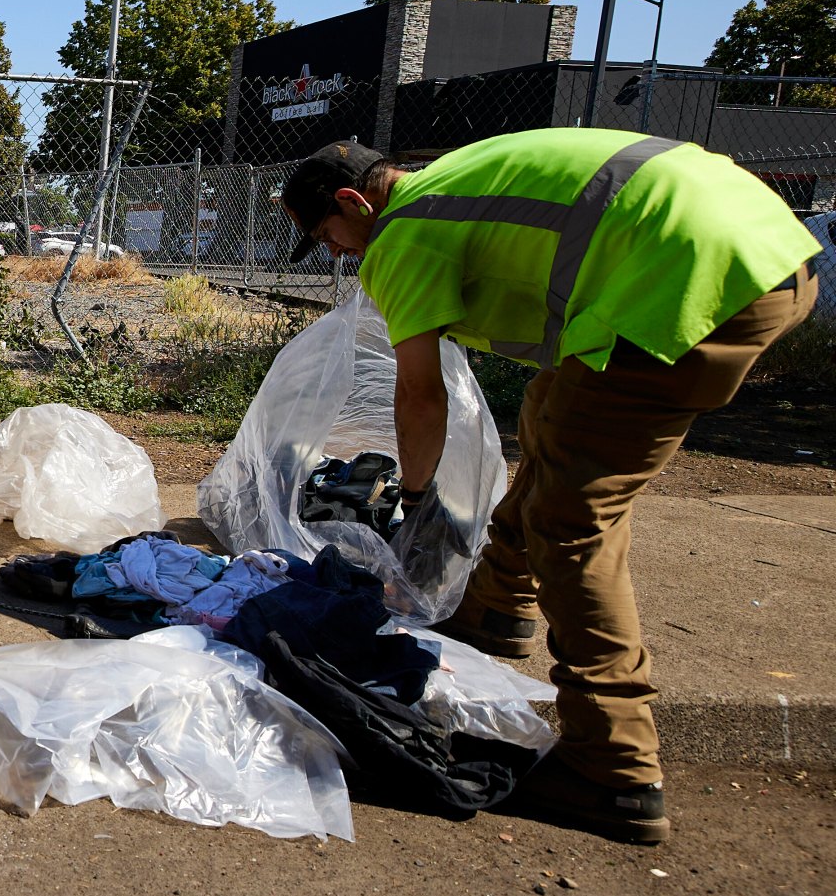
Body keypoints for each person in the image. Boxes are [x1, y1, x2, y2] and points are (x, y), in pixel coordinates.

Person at [283, 129, 820, 845]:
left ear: (356, 201)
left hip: (686, 276)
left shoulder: (405, 236)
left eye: (329, 234)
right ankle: (495, 610)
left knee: (574, 519)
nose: (337, 253)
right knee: (552, 417)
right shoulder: (454, 183)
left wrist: (415, 507)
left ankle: (613, 765)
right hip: (765, 251)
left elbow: (419, 397)